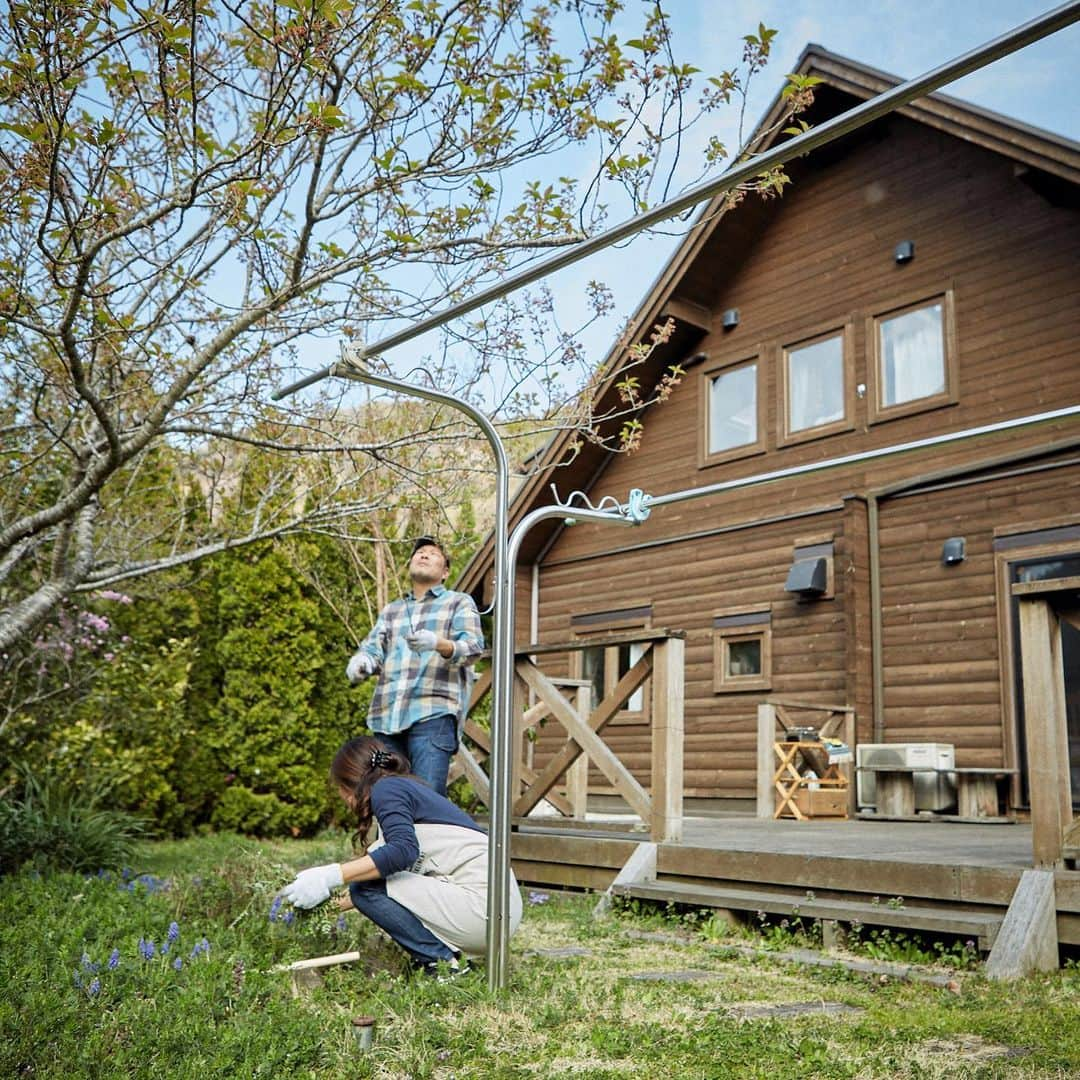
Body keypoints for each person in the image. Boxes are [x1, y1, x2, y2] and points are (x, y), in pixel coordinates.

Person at [281, 736, 522, 975]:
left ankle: (442, 964)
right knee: (366, 886)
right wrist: (314, 907)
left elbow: (402, 853)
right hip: (497, 914)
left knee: (365, 887)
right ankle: (442, 959)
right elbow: (381, 888)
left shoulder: (387, 790)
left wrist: (329, 875)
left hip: (482, 908)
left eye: (338, 789)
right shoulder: (400, 793)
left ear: (349, 785)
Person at [346, 536, 483, 796]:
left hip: (433, 713)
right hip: (386, 717)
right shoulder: (392, 610)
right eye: (419, 552)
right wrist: (362, 662)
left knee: (427, 800)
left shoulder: (458, 602)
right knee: (387, 801)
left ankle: (429, 838)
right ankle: (395, 840)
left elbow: (474, 648)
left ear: (445, 572)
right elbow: (373, 650)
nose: (424, 554)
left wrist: (438, 644)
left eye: (432, 553)